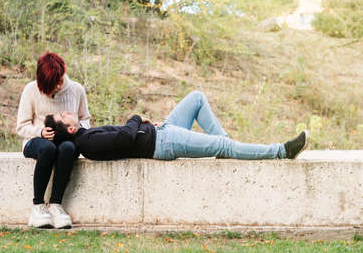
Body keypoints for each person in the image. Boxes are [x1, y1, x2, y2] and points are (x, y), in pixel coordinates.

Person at [45, 91, 308, 162]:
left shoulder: (85, 133)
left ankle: (226, 147)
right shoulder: (87, 143)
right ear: (68, 129)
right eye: (63, 117)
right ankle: (281, 151)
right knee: (223, 145)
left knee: (196, 97)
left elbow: (127, 133)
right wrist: (137, 117)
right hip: (163, 143)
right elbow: (125, 138)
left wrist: (146, 122)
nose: (67, 112)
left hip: (161, 131)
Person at [16, 52, 90, 228]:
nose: (55, 88)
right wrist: (40, 132)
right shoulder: (31, 90)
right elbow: (21, 127)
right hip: (36, 141)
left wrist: (73, 127)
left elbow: (85, 120)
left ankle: (56, 205)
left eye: (57, 84)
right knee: (49, 149)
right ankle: (38, 207)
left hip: (66, 141)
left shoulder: (76, 90)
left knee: (68, 149)